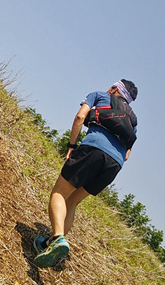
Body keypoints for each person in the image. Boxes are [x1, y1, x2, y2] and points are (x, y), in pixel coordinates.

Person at [33, 79, 138, 268]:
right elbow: (128, 154)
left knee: (59, 193)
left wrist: (71, 146)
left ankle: (58, 238)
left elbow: (80, 117)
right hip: (114, 165)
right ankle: (48, 245)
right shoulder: (133, 119)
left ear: (115, 89)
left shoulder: (99, 95)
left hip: (93, 150)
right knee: (72, 201)